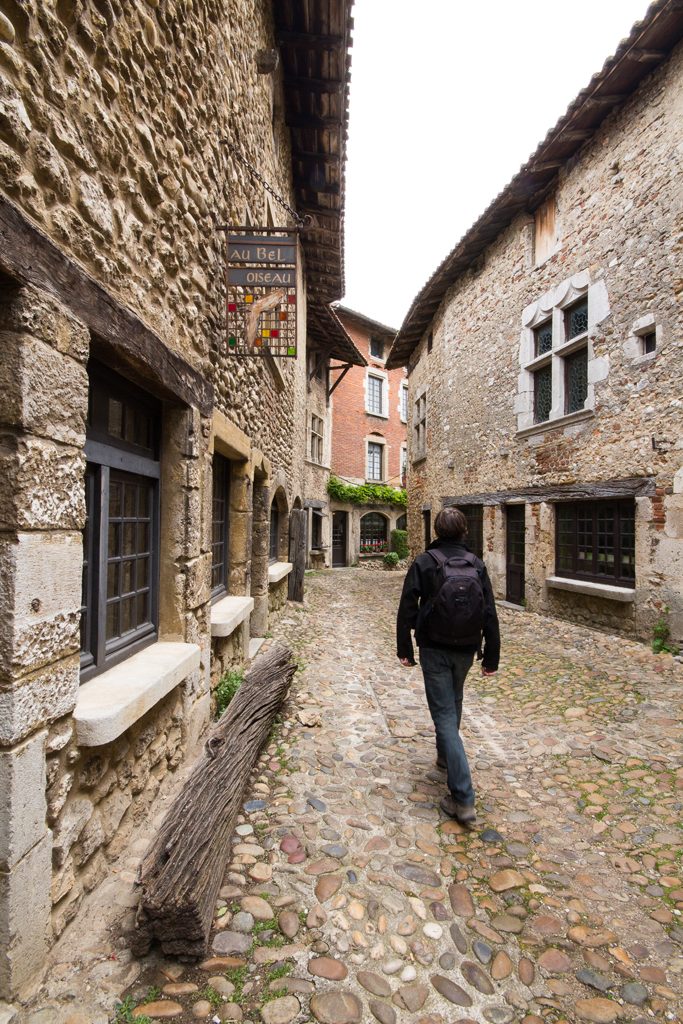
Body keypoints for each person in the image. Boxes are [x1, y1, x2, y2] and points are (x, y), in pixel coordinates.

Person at [396, 507, 500, 826]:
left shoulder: (425, 562)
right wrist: (492, 656)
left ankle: (463, 798)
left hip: (433, 647)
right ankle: (444, 757)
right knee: (453, 702)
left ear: (437, 531)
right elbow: (490, 612)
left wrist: (405, 649)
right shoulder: (476, 564)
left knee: (443, 713)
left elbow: (407, 607)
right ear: (464, 531)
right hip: (467, 648)